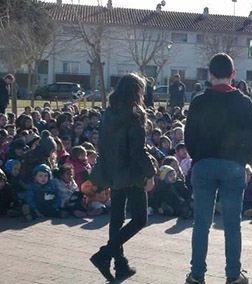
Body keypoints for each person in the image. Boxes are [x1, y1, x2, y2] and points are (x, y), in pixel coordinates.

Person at [184, 53, 252, 284]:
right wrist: (243, 160)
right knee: (232, 224)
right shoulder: (244, 102)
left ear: (210, 74)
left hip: (204, 164)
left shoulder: (198, 101)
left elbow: (189, 137)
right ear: (233, 75)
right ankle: (233, 274)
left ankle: (197, 274)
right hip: (233, 166)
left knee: (201, 223)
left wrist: (199, 157)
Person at [89, 72, 157, 282]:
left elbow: (103, 144)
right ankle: (105, 254)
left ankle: (120, 264)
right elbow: (137, 150)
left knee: (116, 218)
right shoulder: (135, 114)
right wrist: (150, 172)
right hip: (132, 172)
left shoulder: (109, 113)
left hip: (114, 170)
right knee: (139, 219)